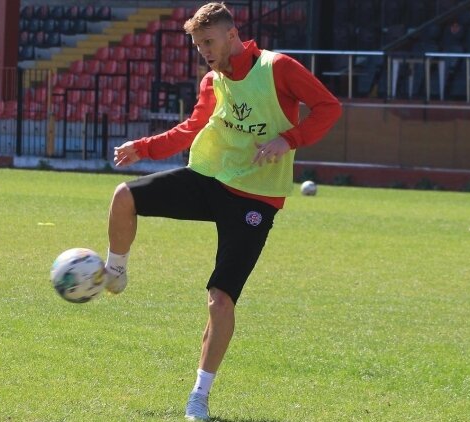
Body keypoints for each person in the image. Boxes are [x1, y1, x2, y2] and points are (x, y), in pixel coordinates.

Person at [103, 2, 341, 420]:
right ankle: (115, 272)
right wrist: (143, 147)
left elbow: (329, 107)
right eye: (198, 46)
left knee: (220, 301)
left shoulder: (278, 67)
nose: (204, 53)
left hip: (255, 198)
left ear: (232, 35)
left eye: (208, 42)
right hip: (209, 179)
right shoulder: (212, 81)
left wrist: (290, 139)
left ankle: (199, 396)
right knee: (125, 196)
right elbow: (191, 129)